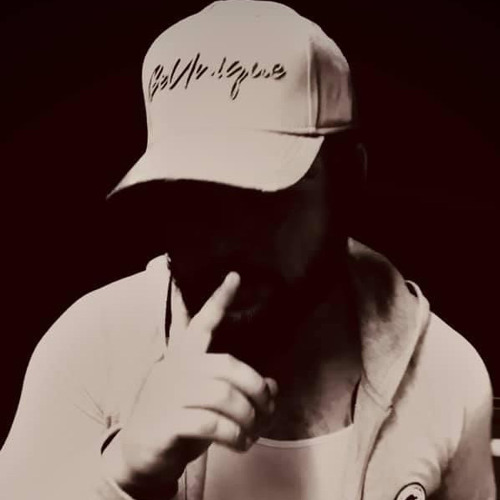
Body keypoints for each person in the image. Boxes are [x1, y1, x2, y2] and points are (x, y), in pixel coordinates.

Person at [0, 1, 495, 499]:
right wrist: (122, 471)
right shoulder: (92, 349)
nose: (222, 238)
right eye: (190, 197)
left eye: (264, 197)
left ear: (347, 181)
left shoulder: (446, 379)